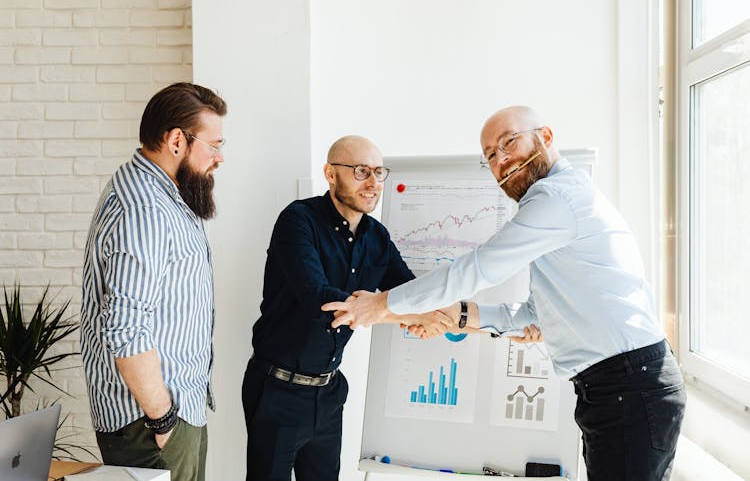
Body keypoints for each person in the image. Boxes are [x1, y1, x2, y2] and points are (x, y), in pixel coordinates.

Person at [323, 106, 686, 481]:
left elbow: (478, 268)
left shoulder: (556, 198)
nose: (501, 159)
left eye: (508, 142)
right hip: (616, 390)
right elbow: (533, 313)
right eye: (491, 156)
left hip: (629, 387)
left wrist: (380, 305)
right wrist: (461, 317)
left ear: (545, 136)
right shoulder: (556, 205)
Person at [242, 135, 452, 481]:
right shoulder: (298, 220)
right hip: (278, 391)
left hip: (329, 393)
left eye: (378, 172)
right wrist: (406, 314)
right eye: (360, 171)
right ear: (330, 173)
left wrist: (440, 313)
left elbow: (410, 293)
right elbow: (321, 300)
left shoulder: (377, 237)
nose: (372, 183)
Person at [80, 82, 227, 481]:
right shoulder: (144, 210)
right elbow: (125, 328)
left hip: (173, 411)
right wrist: (163, 421)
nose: (220, 157)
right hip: (151, 424)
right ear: (177, 140)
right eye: (213, 145)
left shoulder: (168, 196)